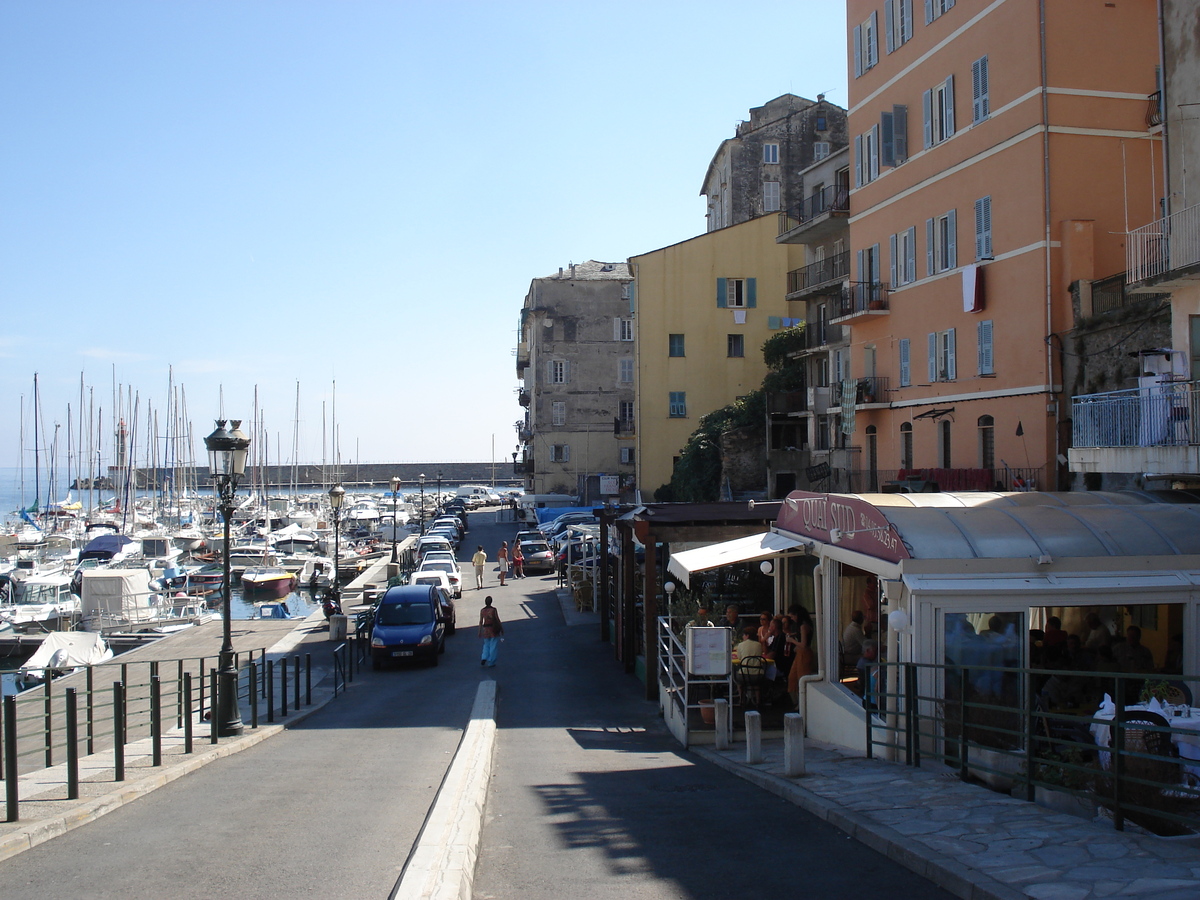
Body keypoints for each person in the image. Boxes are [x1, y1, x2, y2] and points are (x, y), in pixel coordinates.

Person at [786, 607, 816, 709]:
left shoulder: (803, 626)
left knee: (801, 678)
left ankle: (803, 703)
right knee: (792, 678)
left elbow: (803, 644)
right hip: (799, 653)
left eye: (792, 616)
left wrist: (792, 640)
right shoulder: (804, 626)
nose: (792, 619)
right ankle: (797, 702)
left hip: (804, 654)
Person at [478, 596, 504, 667]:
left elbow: (481, 622)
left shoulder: (482, 611)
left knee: (486, 644)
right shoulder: (493, 610)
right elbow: (497, 619)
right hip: (493, 629)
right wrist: (501, 629)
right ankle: (491, 661)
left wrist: (479, 631)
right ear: (491, 602)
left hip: (485, 629)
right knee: (493, 645)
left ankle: (484, 657)